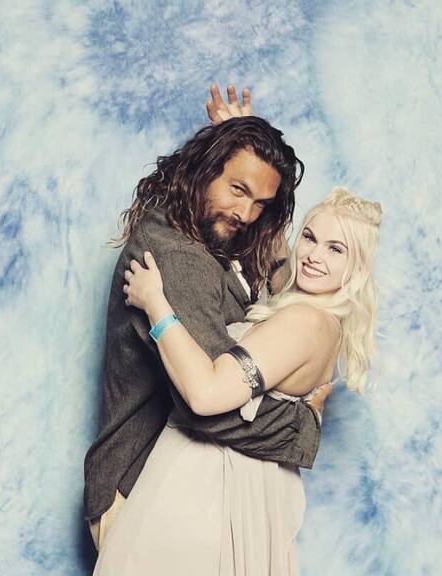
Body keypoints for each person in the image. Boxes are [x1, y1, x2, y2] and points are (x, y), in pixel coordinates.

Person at [84, 86, 331, 549]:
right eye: (238, 190)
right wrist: (305, 424)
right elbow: (209, 406)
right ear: (203, 169)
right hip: (142, 493)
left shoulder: (208, 231)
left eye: (261, 204)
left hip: (183, 492)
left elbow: (282, 290)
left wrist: (240, 138)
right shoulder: (179, 257)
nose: (246, 214)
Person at [94, 187, 381, 574]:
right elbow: (279, 261)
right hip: (236, 488)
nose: (314, 256)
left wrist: (155, 304)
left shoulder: (305, 322)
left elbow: (205, 394)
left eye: (336, 249)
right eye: (310, 237)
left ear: (357, 267)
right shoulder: (321, 318)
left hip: (205, 491)